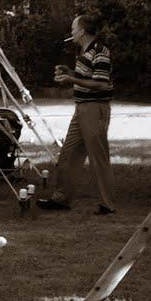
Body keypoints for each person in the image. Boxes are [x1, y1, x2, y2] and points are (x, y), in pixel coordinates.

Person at [39, 14, 115, 214]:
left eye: (73, 29)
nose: (71, 32)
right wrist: (70, 73)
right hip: (81, 108)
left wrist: (71, 80)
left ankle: (107, 205)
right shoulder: (84, 51)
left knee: (98, 158)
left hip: (94, 108)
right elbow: (87, 77)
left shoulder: (100, 51)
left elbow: (101, 83)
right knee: (68, 154)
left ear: (82, 31)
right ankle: (61, 200)